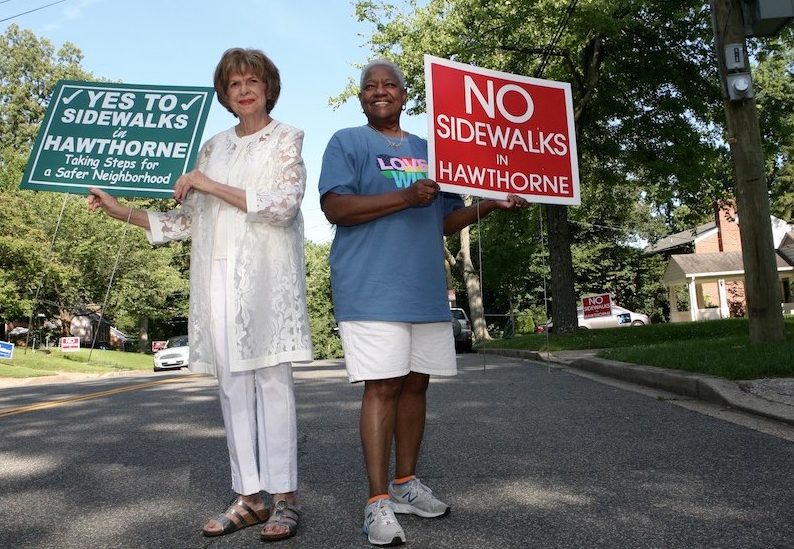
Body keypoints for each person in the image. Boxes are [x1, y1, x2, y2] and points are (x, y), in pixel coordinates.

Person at [87, 48, 311, 542]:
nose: (245, 89)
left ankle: (285, 499)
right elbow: (188, 221)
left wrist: (209, 183)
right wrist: (119, 210)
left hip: (266, 282)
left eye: (253, 80)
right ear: (225, 95)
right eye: (234, 85)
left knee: (272, 383)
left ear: (269, 87)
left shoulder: (286, 138)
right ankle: (249, 496)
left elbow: (283, 205)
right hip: (216, 280)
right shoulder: (211, 146)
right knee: (232, 387)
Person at [319, 59, 528, 546]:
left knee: (416, 385)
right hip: (371, 288)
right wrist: (405, 197)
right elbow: (335, 208)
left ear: (404, 94)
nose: (379, 91)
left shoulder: (433, 150)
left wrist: (490, 205)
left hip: (424, 288)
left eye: (389, 84)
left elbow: (446, 219)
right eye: (370, 86)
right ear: (361, 98)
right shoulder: (347, 142)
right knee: (383, 387)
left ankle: (405, 484)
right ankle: (376, 503)